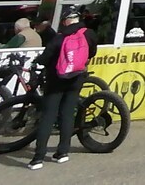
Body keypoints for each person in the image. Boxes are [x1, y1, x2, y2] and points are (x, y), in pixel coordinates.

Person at [28, 10, 98, 170]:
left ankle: (38, 158)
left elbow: (46, 57)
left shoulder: (59, 37)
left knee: (48, 116)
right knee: (67, 114)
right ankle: (62, 153)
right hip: (77, 77)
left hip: (56, 80)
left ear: (66, 21)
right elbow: (92, 52)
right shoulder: (89, 34)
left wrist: (38, 61)